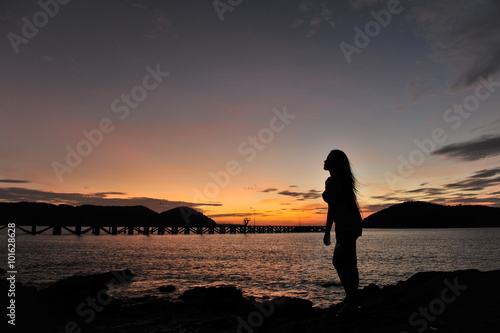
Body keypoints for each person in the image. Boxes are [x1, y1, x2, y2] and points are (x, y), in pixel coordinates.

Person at [322, 149, 362, 315]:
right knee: (349, 262)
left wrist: (327, 231)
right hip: (350, 223)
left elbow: (333, 208)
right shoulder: (342, 181)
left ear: (334, 163)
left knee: (340, 261)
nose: (324, 161)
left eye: (328, 159)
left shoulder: (332, 182)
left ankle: (352, 301)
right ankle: (352, 299)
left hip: (345, 225)